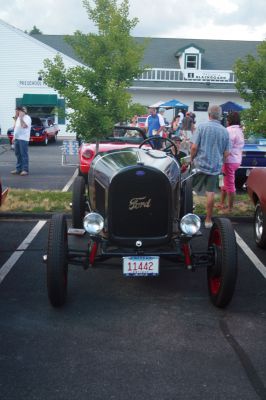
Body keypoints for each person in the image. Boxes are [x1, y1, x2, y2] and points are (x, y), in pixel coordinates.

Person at [190, 105, 230, 228]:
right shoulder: (225, 131)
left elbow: (194, 147)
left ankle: (188, 216)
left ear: (209, 114)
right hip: (214, 167)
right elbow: (227, 153)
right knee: (210, 193)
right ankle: (208, 220)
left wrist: (191, 159)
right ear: (220, 116)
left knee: (188, 190)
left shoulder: (202, 127)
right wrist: (221, 161)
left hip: (200, 164)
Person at [217, 111, 244, 212]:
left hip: (228, 160)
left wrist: (221, 160)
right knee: (224, 182)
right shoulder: (240, 130)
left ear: (228, 121)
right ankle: (222, 203)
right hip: (237, 159)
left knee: (230, 185)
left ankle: (230, 208)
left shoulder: (228, 130)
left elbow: (227, 147)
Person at [11, 106, 31, 176]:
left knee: (23, 154)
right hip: (17, 138)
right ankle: (18, 169)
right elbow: (15, 128)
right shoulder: (17, 118)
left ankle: (25, 170)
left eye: (17, 111)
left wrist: (21, 118)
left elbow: (24, 126)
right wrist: (14, 137)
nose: (16, 112)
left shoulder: (27, 118)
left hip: (23, 139)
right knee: (18, 154)